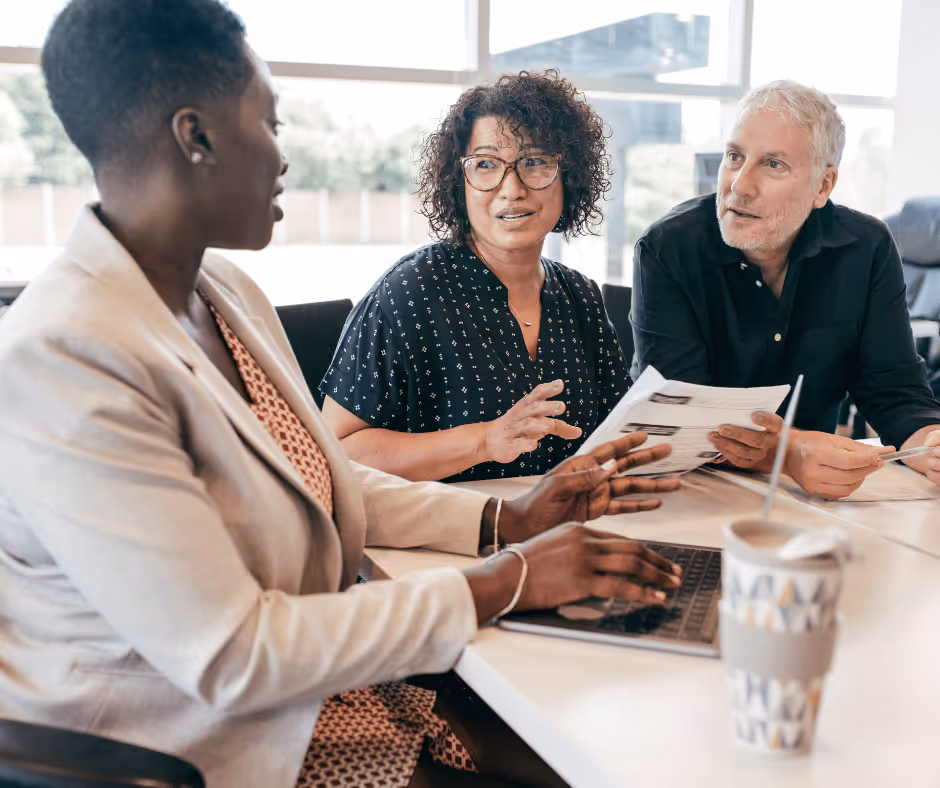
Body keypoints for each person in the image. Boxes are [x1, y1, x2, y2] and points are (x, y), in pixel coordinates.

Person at [0, 2, 683, 787]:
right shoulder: (65, 353)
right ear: (197, 137)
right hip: (194, 743)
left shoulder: (223, 290)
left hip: (319, 689)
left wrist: (506, 520)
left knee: (591, 753)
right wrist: (510, 579)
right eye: (272, 121)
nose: (284, 157)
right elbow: (234, 656)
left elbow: (316, 475)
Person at [630, 80, 940, 500]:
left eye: (773, 164)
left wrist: (928, 441)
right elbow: (682, 419)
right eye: (734, 156)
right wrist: (787, 451)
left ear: (823, 186)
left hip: (809, 497)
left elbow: (894, 389)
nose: (739, 185)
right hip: (682, 486)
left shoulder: (867, 247)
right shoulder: (668, 247)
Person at [320, 72, 635, 483]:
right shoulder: (409, 294)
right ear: (458, 181)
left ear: (569, 175)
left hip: (565, 528)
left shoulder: (581, 296)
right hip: (446, 537)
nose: (512, 188)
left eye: (535, 161)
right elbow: (336, 450)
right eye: (485, 165)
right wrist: (486, 440)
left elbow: (622, 433)